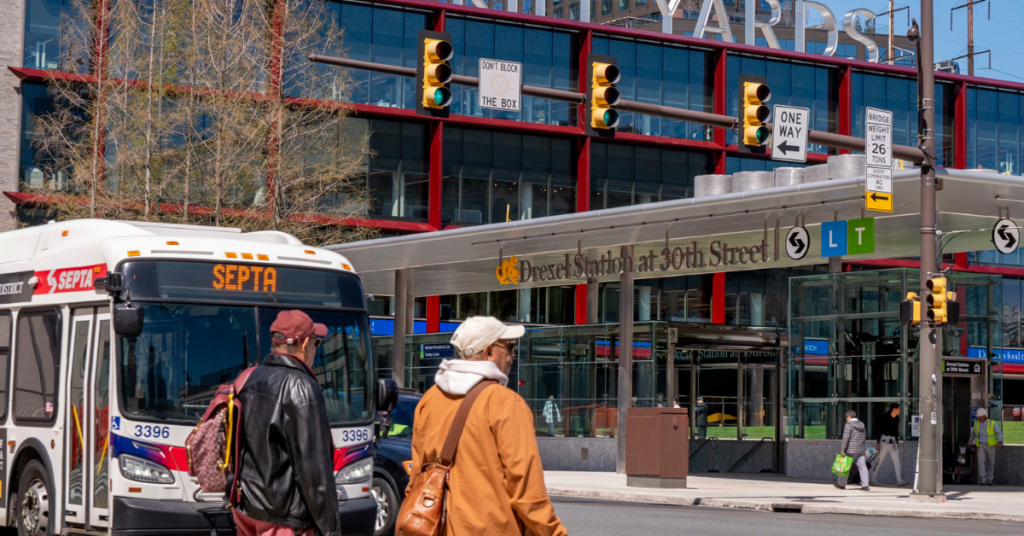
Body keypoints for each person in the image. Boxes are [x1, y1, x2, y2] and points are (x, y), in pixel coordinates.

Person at [409, 317, 567, 536]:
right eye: (509, 347)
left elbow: (417, 475)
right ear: (488, 352)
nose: (513, 356)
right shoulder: (506, 403)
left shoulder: (429, 399)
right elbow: (527, 491)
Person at [234, 310, 339, 536]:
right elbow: (314, 471)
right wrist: (330, 530)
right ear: (304, 345)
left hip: (247, 508)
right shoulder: (301, 386)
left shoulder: (250, 377)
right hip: (283, 518)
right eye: (316, 342)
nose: (314, 349)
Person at [873, 403, 908, 487]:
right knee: (879, 461)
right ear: (894, 409)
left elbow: (895, 431)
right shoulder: (884, 417)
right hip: (884, 442)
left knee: (897, 461)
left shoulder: (897, 419)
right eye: (899, 409)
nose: (900, 410)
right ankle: (873, 479)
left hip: (893, 443)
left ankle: (899, 480)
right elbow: (880, 430)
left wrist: (897, 443)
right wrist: (878, 443)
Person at [836, 410, 870, 491]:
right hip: (860, 449)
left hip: (851, 450)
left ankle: (841, 484)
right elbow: (864, 437)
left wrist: (843, 450)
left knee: (845, 467)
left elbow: (845, 439)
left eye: (846, 418)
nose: (846, 419)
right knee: (863, 467)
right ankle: (865, 485)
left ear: (849, 417)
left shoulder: (848, 425)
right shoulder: (862, 424)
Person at [973, 407, 1004, 486]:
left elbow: (999, 433)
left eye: (980, 416)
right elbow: (973, 434)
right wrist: (970, 442)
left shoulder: (992, 423)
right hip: (981, 445)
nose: (979, 418)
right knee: (981, 461)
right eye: (978, 417)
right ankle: (983, 479)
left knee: (991, 463)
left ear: (984, 416)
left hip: (991, 446)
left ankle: (990, 480)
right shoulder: (976, 423)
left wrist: (999, 441)